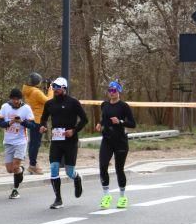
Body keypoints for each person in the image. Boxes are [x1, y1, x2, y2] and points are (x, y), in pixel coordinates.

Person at [38, 77, 88, 209]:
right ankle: (58, 199)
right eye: (53, 87)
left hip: (70, 141)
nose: (55, 89)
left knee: (69, 172)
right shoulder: (49, 104)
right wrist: (43, 126)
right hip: (56, 141)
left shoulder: (73, 102)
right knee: (54, 168)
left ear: (64, 88)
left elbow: (84, 119)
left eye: (57, 87)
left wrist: (74, 130)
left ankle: (77, 178)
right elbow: (43, 118)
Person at [95, 80, 135, 209]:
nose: (111, 93)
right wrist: (100, 124)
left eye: (114, 90)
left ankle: (122, 197)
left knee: (119, 169)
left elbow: (132, 124)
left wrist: (120, 122)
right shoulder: (104, 105)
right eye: (110, 90)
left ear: (119, 92)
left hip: (120, 141)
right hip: (107, 140)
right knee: (103, 166)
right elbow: (104, 118)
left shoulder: (124, 106)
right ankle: (107, 195)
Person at [0, 89, 36, 199]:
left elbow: (32, 125)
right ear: (10, 99)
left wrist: (22, 122)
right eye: (13, 99)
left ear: (20, 99)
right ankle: (21, 170)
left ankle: (15, 190)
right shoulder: (5, 107)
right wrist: (10, 122)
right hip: (8, 141)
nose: (15, 101)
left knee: (15, 166)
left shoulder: (26, 108)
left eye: (17, 99)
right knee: (10, 169)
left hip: (21, 141)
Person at [22, 73, 51, 175]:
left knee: (33, 143)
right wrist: (51, 90)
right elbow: (48, 102)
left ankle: (32, 164)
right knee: (36, 143)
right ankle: (33, 165)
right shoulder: (36, 92)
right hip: (38, 119)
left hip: (31, 118)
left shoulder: (27, 90)